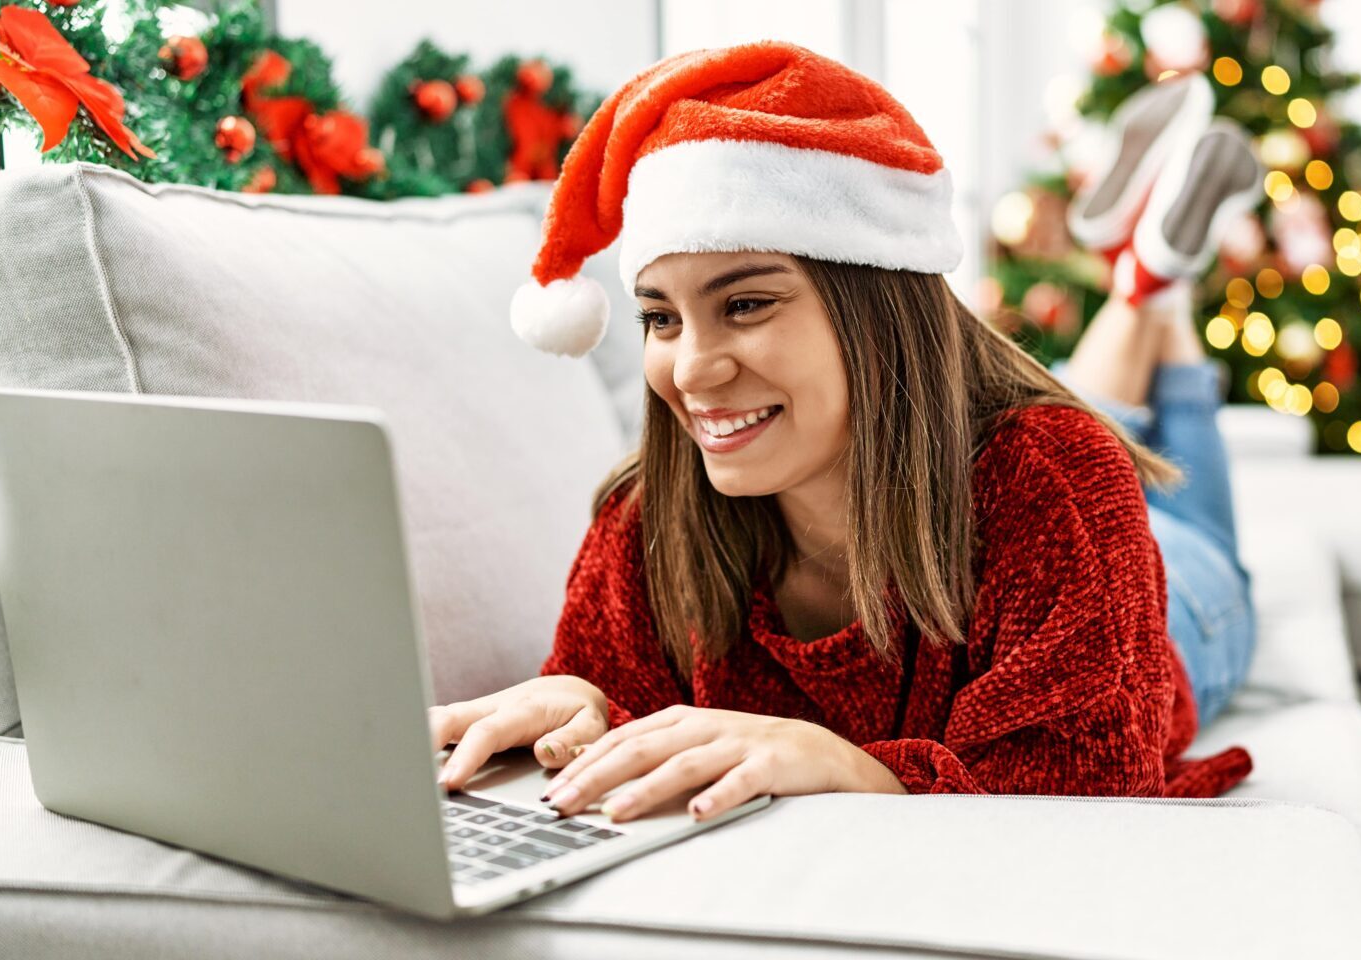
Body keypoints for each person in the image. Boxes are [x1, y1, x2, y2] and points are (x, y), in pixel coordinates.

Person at [430, 40, 1259, 826]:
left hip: (1182, 612)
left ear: (876, 310)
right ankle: (1148, 281)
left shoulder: (1058, 478)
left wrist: (855, 768)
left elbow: (1090, 797)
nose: (691, 372)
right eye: (661, 318)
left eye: (745, 305)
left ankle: (1149, 287)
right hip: (1070, 527)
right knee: (1097, 425)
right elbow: (622, 707)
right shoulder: (648, 519)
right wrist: (586, 705)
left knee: (1163, 509)